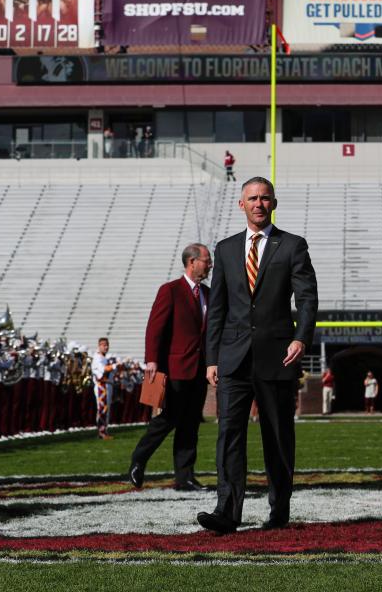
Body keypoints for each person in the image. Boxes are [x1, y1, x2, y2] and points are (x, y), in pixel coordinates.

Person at [198, 176, 318, 534]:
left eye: (265, 198)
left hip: (278, 356)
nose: (259, 203)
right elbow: (216, 308)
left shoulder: (293, 245)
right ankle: (227, 512)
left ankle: (279, 509)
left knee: (278, 437)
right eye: (252, 198)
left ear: (274, 203)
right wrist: (212, 358)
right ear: (241, 204)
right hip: (232, 359)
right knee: (229, 436)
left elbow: (307, 298)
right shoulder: (225, 249)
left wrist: (301, 338)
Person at [128, 244, 212, 491]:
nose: (210, 265)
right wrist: (152, 360)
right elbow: (155, 327)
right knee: (167, 419)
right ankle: (138, 459)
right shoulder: (170, 290)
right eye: (207, 260)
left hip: (199, 369)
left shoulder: (208, 293)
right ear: (192, 262)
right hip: (175, 368)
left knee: (190, 423)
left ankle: (185, 477)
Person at [91, 337, 117, 439]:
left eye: (107, 345)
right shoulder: (97, 357)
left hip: (107, 384)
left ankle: (104, 430)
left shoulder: (104, 357)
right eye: (103, 345)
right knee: (102, 408)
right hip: (101, 385)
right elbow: (103, 370)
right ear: (99, 346)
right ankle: (101, 431)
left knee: (107, 408)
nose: (106, 347)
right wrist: (114, 366)